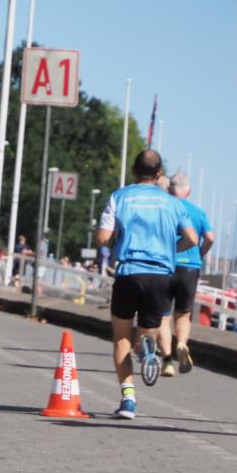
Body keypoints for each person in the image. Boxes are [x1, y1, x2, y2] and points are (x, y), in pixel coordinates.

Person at [95, 150, 198, 420]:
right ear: (159, 174)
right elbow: (193, 238)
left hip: (129, 272)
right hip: (160, 275)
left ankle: (128, 399)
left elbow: (102, 236)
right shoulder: (173, 203)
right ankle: (148, 348)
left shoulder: (119, 197)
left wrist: (115, 240)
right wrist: (171, 250)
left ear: (133, 171)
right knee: (147, 332)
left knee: (121, 337)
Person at [157, 172, 214, 377]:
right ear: (188, 190)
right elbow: (209, 237)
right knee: (183, 314)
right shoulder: (198, 212)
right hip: (191, 267)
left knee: (163, 317)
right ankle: (181, 343)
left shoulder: (165, 209)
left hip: (166, 266)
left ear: (170, 189)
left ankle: (166, 361)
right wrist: (199, 254)